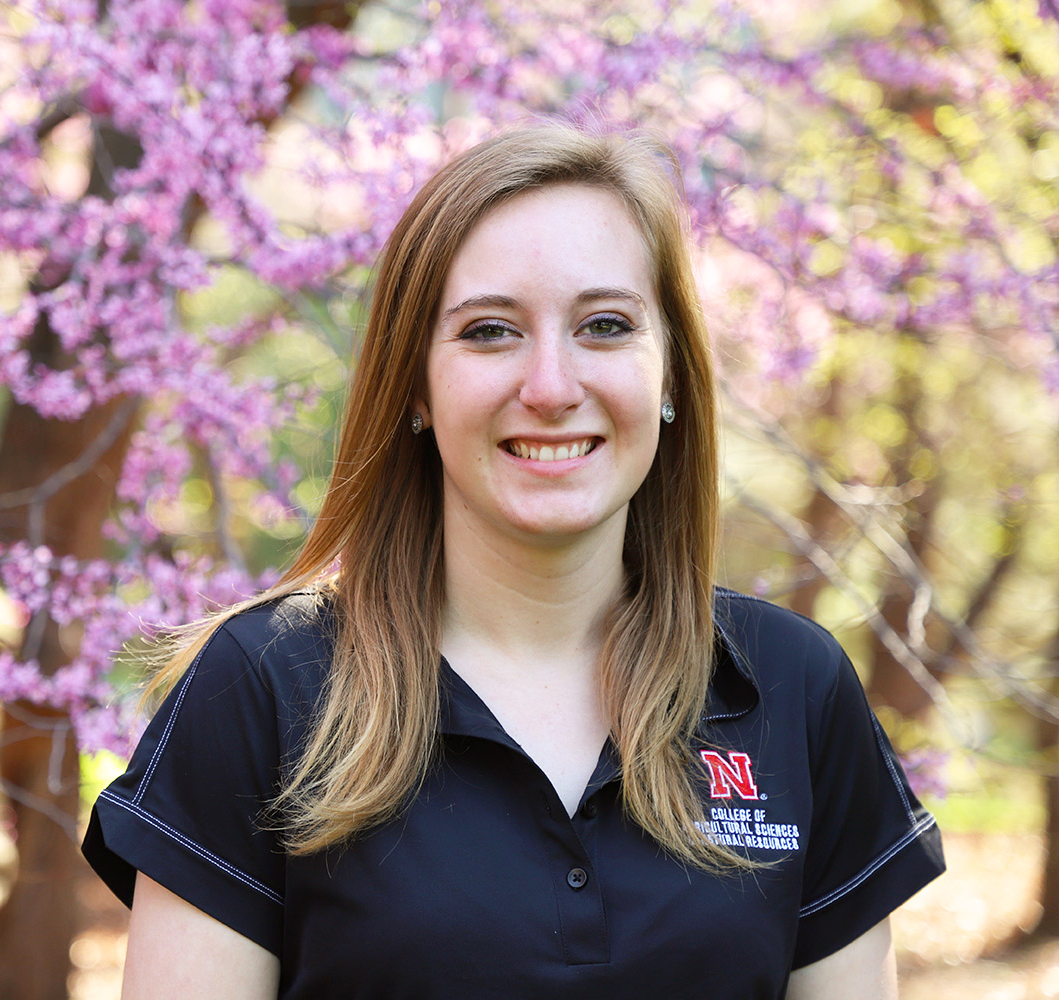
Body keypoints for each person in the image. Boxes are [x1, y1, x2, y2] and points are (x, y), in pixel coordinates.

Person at [82, 123, 944, 999]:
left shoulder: (795, 688)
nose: (551, 387)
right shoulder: (262, 687)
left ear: (672, 374)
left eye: (605, 326)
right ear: (414, 385)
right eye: (491, 331)